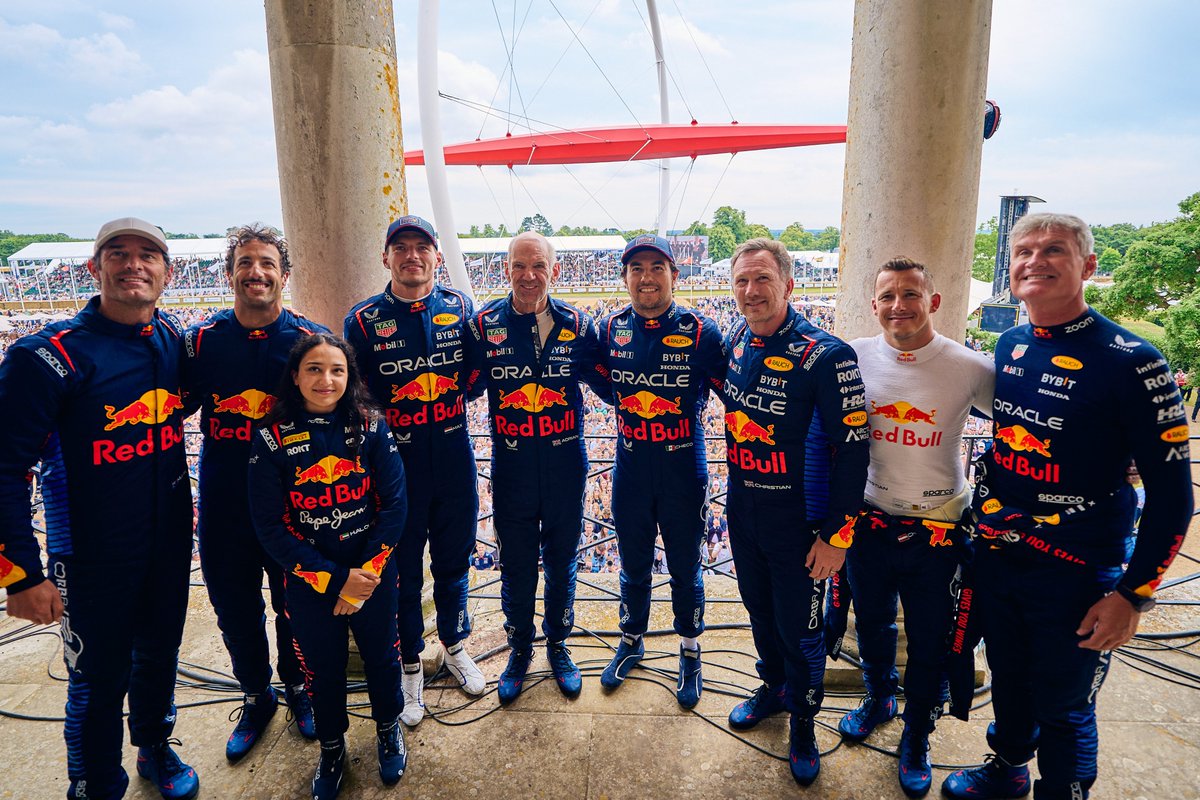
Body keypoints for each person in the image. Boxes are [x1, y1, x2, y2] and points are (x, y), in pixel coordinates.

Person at [942, 214, 1193, 800]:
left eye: (1053, 250)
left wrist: (1133, 595)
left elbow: (1175, 498)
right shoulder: (1011, 342)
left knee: (1064, 702)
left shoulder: (1136, 361)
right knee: (1009, 677)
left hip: (1079, 568)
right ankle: (1006, 769)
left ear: (1088, 266)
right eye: (1023, 251)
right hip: (1002, 557)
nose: (1035, 261)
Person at [0, 218, 200, 799]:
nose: (134, 265)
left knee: (159, 655)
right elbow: (5, 470)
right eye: (119, 253)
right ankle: (94, 784)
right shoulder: (46, 356)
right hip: (88, 555)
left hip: (166, 545)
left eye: (148, 256)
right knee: (97, 678)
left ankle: (154, 747)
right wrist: (21, 575)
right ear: (94, 268)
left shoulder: (167, 340)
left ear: (168, 273)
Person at [720, 238, 871, 787]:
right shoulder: (737, 339)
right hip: (744, 508)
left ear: (788, 284)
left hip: (801, 522)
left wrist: (838, 536)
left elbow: (855, 451)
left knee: (803, 631)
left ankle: (804, 723)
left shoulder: (828, 355)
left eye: (762, 280)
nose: (751, 291)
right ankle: (774, 687)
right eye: (741, 281)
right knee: (759, 614)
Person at [842, 257, 994, 798]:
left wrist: (1113, 452)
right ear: (874, 305)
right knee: (874, 621)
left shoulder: (968, 365)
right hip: (870, 520)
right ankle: (879, 695)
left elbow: (1030, 420)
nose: (897, 306)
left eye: (910, 294)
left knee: (930, 640)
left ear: (933, 302)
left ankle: (917, 734)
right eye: (886, 296)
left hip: (939, 528)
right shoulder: (855, 356)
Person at [181, 224, 325, 760]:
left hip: (292, 503)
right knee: (233, 605)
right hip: (223, 500)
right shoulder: (200, 342)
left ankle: (300, 689)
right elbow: (167, 409)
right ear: (231, 274)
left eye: (267, 262)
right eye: (246, 262)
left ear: (284, 275)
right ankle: (255, 694)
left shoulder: (309, 340)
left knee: (294, 604)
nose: (256, 272)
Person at [248, 333, 408, 800]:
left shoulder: (371, 426)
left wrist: (362, 578)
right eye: (314, 369)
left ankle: (388, 729)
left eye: (337, 370)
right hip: (309, 580)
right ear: (295, 376)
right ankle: (332, 747)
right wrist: (338, 581)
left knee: (382, 656)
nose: (326, 379)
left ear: (349, 376)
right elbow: (270, 527)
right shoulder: (270, 437)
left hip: (373, 573)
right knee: (322, 668)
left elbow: (395, 507)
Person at [344, 214, 484, 726]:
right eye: (400, 247)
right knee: (401, 574)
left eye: (421, 247)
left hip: (452, 455)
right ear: (386, 258)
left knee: (453, 562)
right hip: (396, 467)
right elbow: (355, 393)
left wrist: (442, 406)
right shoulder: (361, 320)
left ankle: (453, 643)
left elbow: (474, 374)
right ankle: (409, 666)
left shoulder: (460, 307)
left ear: (436, 257)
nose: (412, 256)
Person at [464, 231, 609, 705]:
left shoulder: (579, 324)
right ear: (505, 269)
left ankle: (558, 645)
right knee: (518, 565)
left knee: (564, 562)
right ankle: (520, 648)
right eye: (519, 267)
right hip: (512, 466)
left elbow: (615, 385)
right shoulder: (484, 323)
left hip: (567, 464)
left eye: (539, 266)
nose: (529, 276)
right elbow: (457, 387)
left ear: (555, 271)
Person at [596, 234, 726, 708]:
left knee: (685, 567)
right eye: (636, 269)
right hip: (630, 463)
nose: (646, 277)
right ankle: (631, 640)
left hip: (681, 465)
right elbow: (597, 378)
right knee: (631, 565)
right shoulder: (611, 327)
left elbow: (733, 390)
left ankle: (691, 651)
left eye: (656, 267)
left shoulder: (701, 329)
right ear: (625, 276)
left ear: (674, 273)